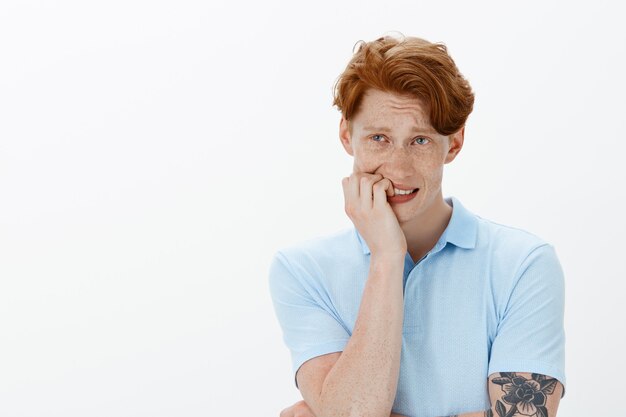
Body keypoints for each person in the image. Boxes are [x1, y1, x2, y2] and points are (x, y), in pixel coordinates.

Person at [268, 34, 566, 417]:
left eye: (420, 140)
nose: (398, 168)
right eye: (379, 138)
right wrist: (387, 257)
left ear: (454, 144)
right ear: (347, 135)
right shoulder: (302, 270)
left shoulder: (524, 264)